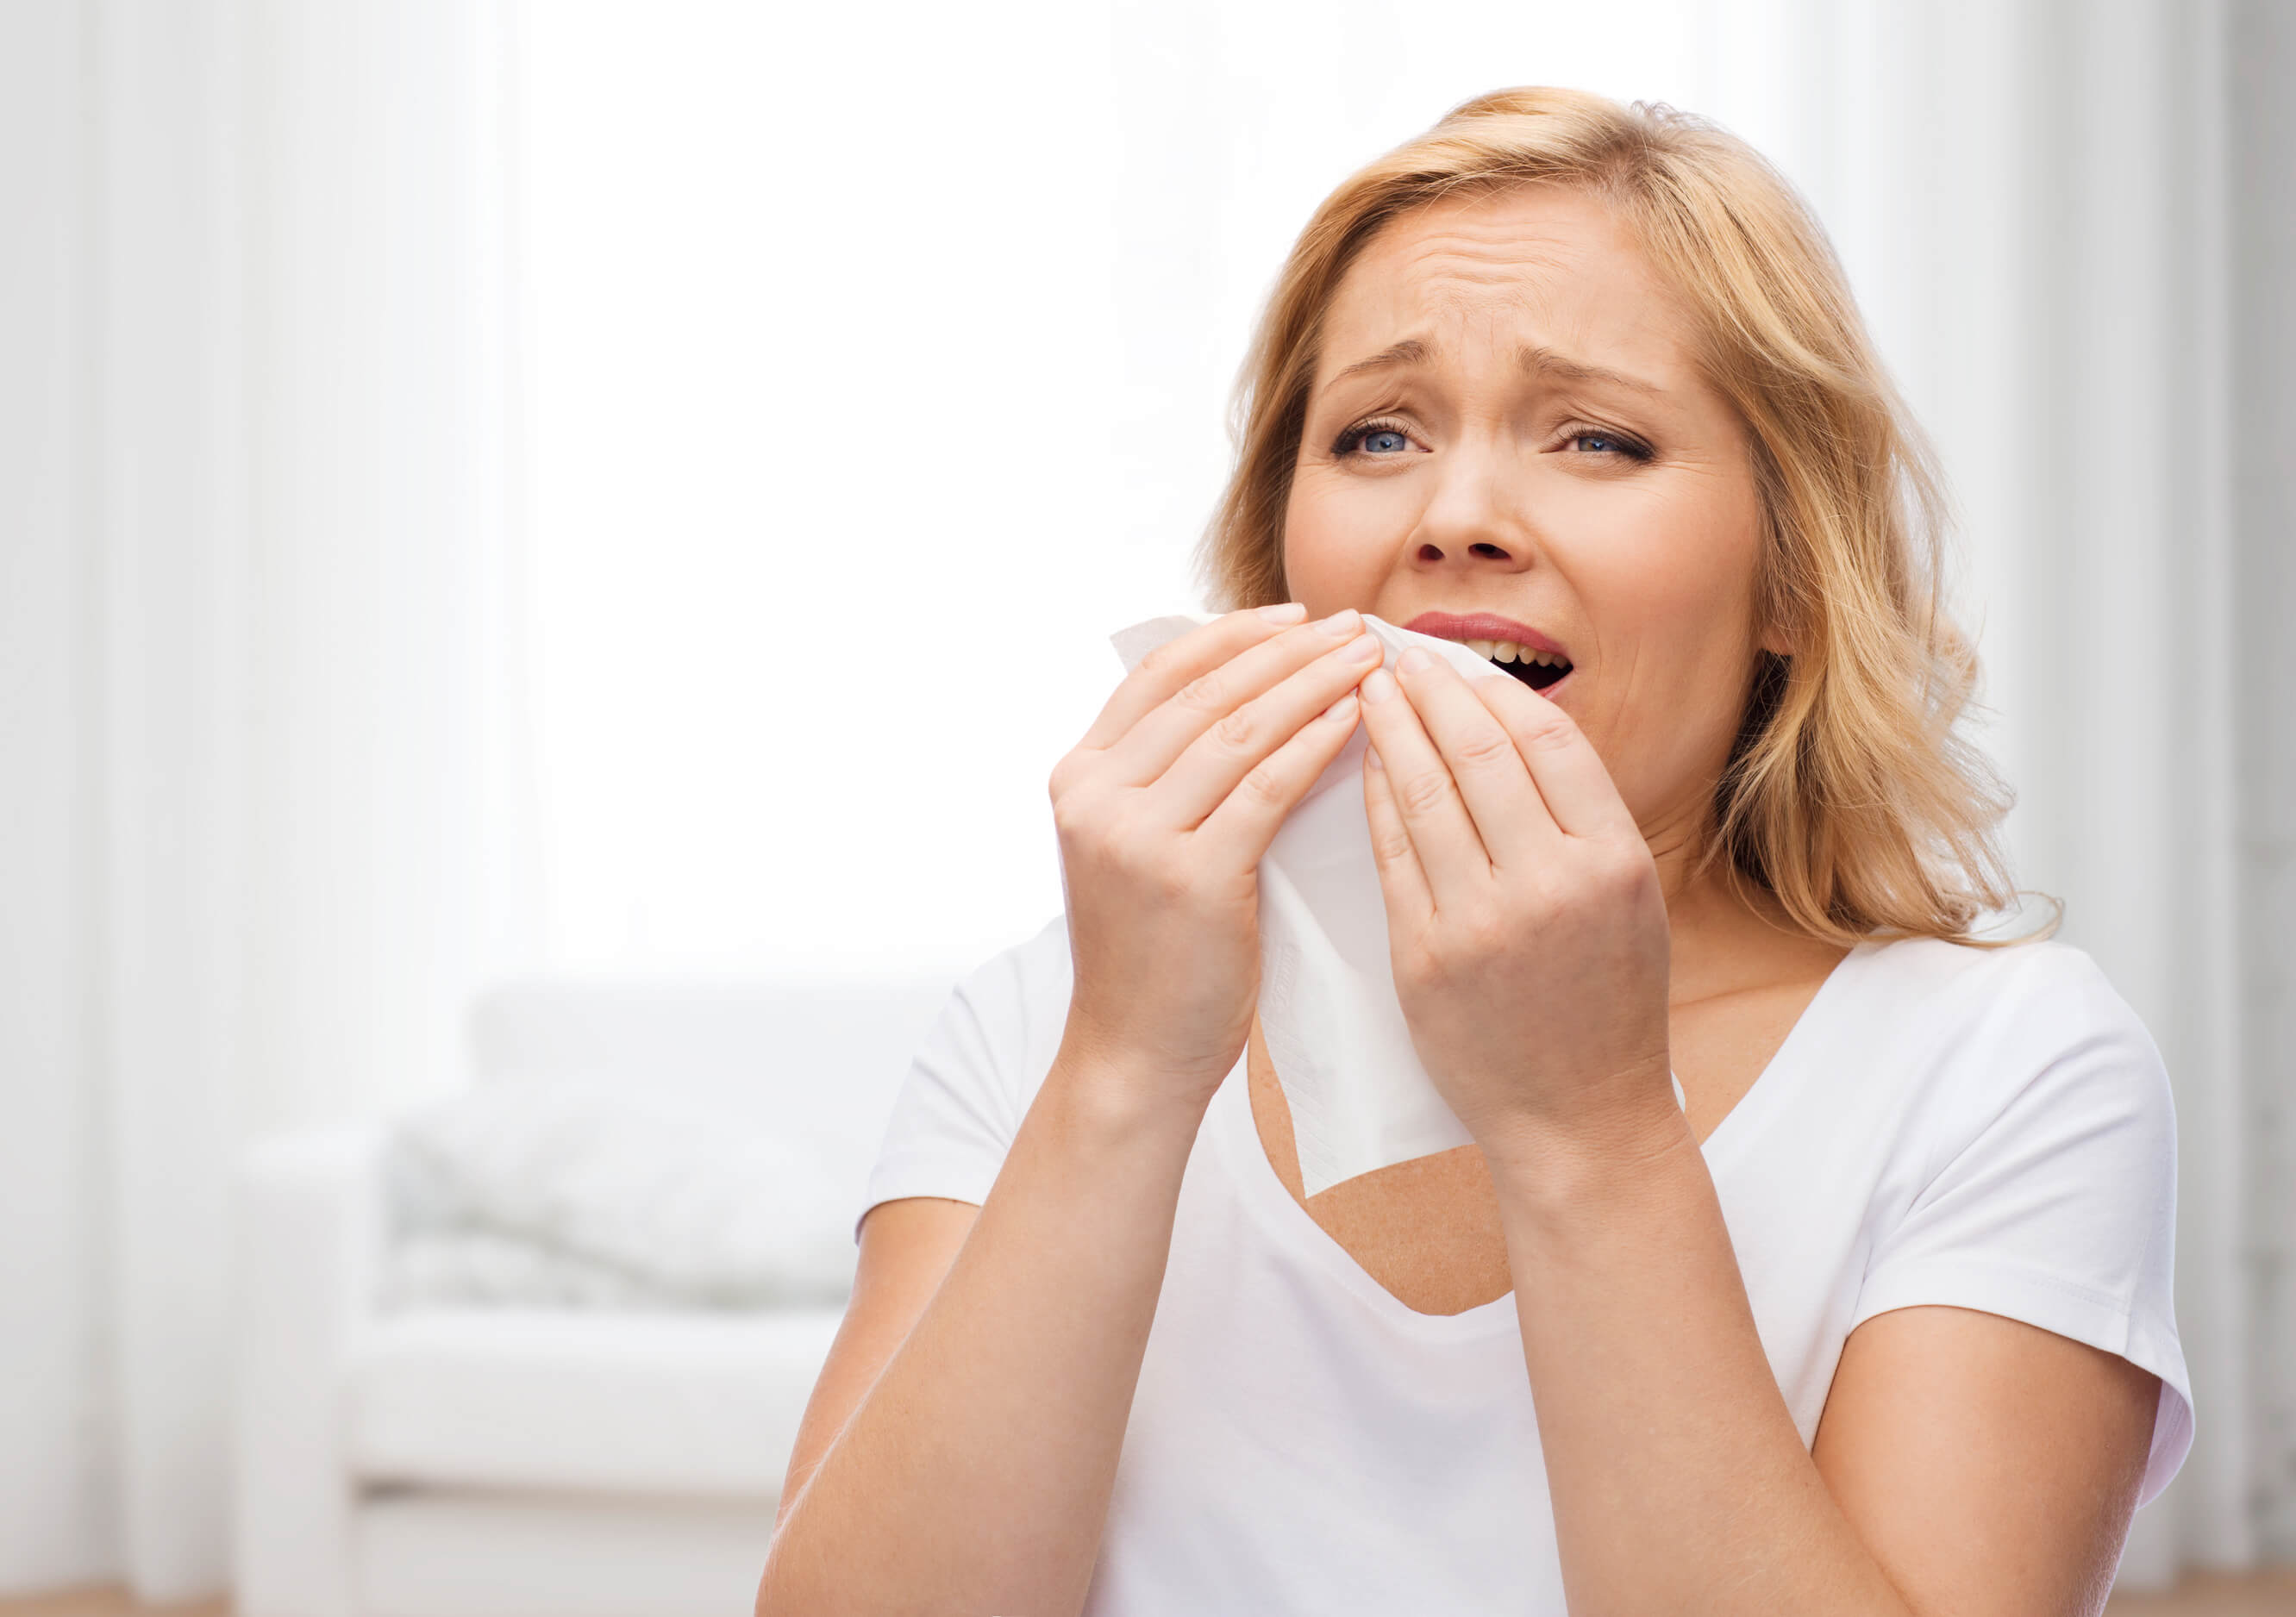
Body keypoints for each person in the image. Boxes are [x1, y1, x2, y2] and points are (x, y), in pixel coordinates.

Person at [754, 87, 2190, 1617]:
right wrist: (1121, 1072)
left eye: (1599, 439)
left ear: (1793, 576)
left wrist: (1590, 1127)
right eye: (1376, 433)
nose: (1456, 517)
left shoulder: (2006, 1072)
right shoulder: (1046, 1024)